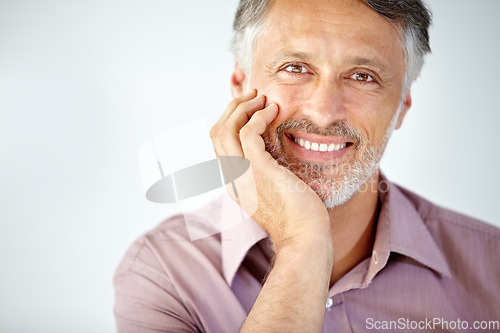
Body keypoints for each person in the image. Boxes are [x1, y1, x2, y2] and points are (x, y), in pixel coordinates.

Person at [114, 0, 500, 332]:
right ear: (239, 82)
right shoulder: (163, 271)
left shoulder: (491, 266)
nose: (323, 111)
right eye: (296, 67)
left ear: (401, 107)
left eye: (362, 76)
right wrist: (303, 244)